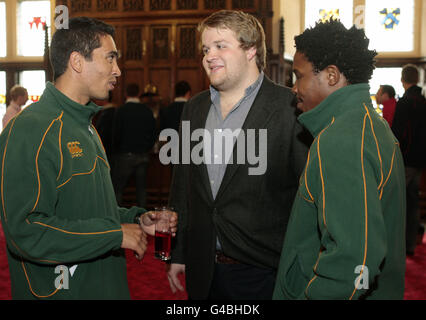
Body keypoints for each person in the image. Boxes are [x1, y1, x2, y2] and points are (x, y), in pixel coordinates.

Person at [0, 17, 176, 300]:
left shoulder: (85, 125)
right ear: (77, 62)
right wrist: (114, 234)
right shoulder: (32, 129)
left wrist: (136, 219)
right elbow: (27, 231)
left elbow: (85, 208)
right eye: (110, 58)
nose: (117, 70)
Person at [167, 10, 310, 300]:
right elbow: (183, 186)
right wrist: (178, 252)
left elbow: (307, 196)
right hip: (202, 269)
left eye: (220, 46)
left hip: (263, 272)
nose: (209, 56)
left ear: (251, 50)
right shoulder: (194, 108)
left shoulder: (290, 108)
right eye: (206, 49)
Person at [273, 20, 406, 300]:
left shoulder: (341, 140)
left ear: (331, 76)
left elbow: (356, 259)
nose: (294, 89)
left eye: (299, 76)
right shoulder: (368, 125)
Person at [391, 64, 426, 256]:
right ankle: (410, 244)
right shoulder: (423, 100)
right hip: (420, 159)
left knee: (396, 202)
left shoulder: (405, 102)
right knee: (412, 202)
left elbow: (398, 133)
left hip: (405, 159)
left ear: (403, 79)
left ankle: (396, 244)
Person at [112, 83, 157, 208]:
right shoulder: (147, 111)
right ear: (138, 94)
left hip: (124, 155)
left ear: (125, 94)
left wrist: (116, 151)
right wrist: (147, 148)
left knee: (117, 189)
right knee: (141, 189)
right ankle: (142, 218)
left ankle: (117, 220)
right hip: (143, 155)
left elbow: (116, 134)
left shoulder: (120, 111)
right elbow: (154, 132)